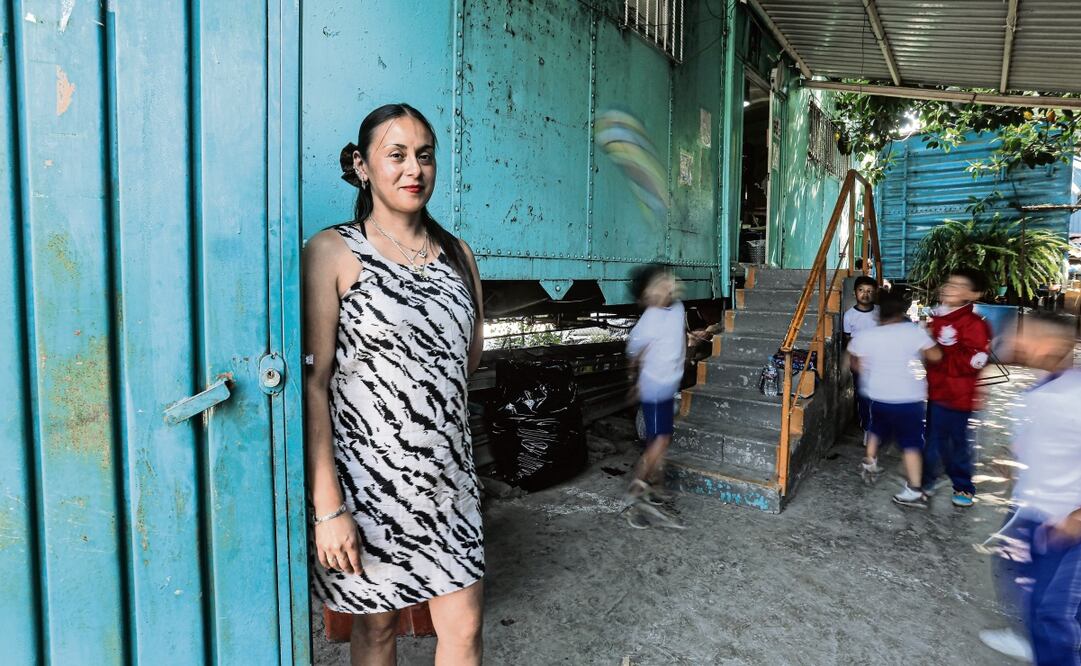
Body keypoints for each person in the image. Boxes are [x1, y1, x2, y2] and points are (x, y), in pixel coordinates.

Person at [303, 103, 485, 666]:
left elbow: (468, 360)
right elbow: (315, 384)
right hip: (367, 491)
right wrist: (327, 506)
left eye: (424, 155)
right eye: (396, 155)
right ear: (362, 166)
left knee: (465, 628)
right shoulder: (332, 252)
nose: (414, 170)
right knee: (376, 633)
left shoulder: (458, 255)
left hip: (450, 483)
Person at [980, 313, 1081, 665]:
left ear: (1055, 344)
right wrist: (1010, 455)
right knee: (1011, 571)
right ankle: (1030, 639)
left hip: (1065, 525)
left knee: (1050, 612)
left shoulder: (1076, 395)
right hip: (1030, 511)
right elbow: (1041, 437)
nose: (1016, 342)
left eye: (1028, 337)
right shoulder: (1042, 388)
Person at [847, 289, 942, 508]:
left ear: (878, 313)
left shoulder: (867, 335)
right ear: (903, 311)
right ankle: (915, 490)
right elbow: (936, 356)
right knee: (910, 444)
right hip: (908, 398)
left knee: (875, 428)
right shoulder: (913, 332)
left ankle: (870, 461)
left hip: (878, 395)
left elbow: (855, 364)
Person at [623, 265, 687, 530]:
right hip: (654, 388)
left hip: (668, 387)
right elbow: (634, 348)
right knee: (660, 440)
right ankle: (634, 493)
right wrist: (634, 379)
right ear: (647, 296)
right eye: (657, 287)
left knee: (657, 442)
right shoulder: (649, 318)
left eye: (666, 282)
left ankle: (654, 487)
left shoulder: (679, 309)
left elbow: (679, 342)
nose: (664, 288)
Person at [923, 268, 992, 508]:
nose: (949, 287)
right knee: (933, 439)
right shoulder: (938, 318)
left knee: (956, 443)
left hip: (957, 396)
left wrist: (937, 354)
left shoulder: (974, 324)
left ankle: (963, 486)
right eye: (949, 282)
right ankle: (927, 480)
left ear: (974, 294)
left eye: (959, 285)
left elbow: (975, 361)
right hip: (936, 391)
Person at [843, 275, 879, 438]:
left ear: (875, 293)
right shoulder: (849, 316)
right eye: (861, 290)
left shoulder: (879, 312)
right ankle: (867, 427)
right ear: (854, 293)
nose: (865, 294)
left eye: (869, 291)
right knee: (863, 396)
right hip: (859, 362)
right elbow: (848, 340)